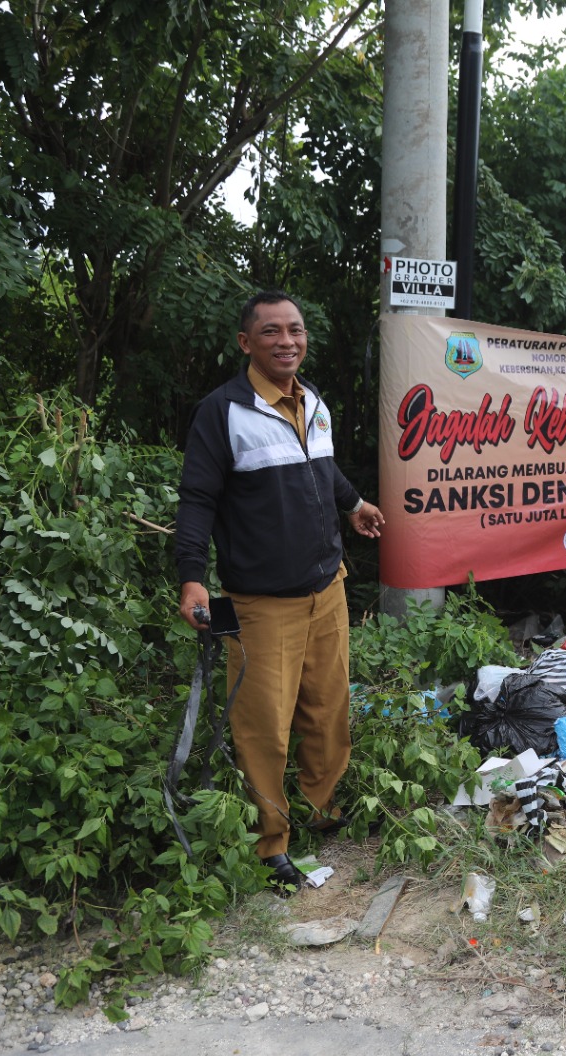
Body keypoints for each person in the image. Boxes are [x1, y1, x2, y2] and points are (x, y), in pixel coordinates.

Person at [175, 291, 385, 891]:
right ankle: (271, 843)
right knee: (264, 724)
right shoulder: (223, 413)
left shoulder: (311, 399)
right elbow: (198, 501)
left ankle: (322, 809)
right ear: (247, 343)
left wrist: (354, 505)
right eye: (271, 332)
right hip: (262, 602)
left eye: (295, 329)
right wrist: (191, 574)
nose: (286, 341)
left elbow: (319, 465)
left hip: (329, 587)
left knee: (327, 708)